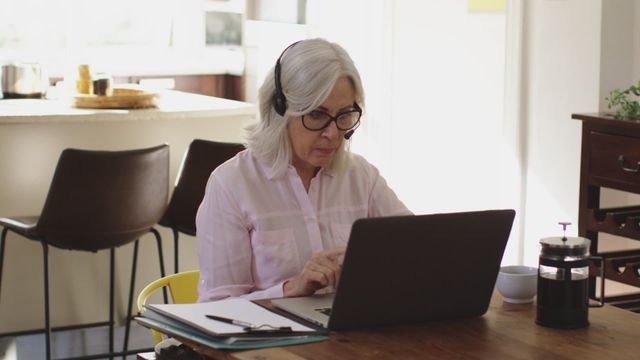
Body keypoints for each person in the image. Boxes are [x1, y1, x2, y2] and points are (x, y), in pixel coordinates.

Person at [196, 38, 410, 302]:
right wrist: (290, 289)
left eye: (344, 115)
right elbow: (215, 310)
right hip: (268, 340)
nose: (333, 133)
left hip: (349, 337)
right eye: (317, 115)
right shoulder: (231, 185)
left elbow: (415, 250)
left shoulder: (362, 177)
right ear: (278, 110)